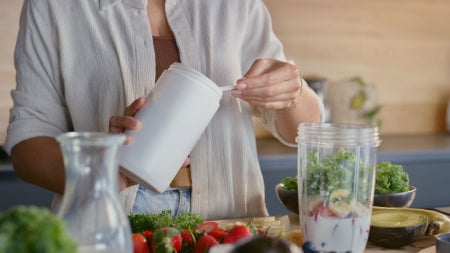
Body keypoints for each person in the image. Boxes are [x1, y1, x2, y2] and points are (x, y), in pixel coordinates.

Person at [5, 0, 323, 220]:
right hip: (111, 222)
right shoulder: (55, 7)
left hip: (230, 222)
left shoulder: (237, 5)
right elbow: (29, 139)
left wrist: (291, 92)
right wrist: (99, 172)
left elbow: (304, 128)